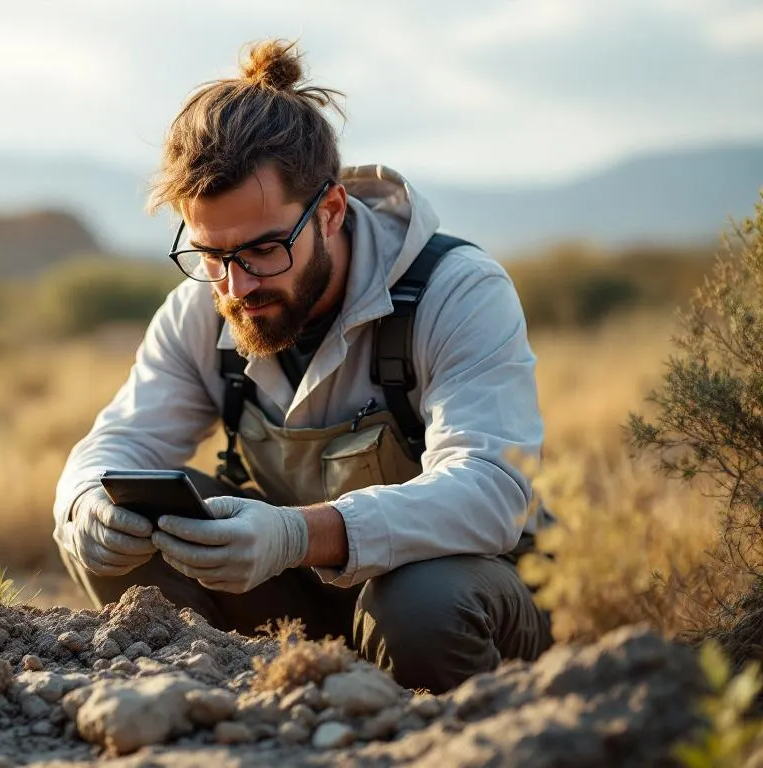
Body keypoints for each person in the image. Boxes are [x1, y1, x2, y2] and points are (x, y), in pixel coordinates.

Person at [51, 39, 555, 694]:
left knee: (420, 606)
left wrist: (296, 534)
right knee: (133, 522)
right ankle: (229, 721)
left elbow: (491, 493)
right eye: (211, 254)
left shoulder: (458, 291)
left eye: (264, 249)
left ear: (332, 211)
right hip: (306, 609)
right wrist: (87, 507)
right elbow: (114, 445)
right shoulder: (200, 308)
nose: (235, 286)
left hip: (473, 594)